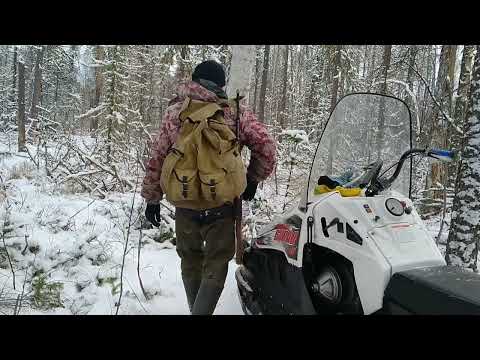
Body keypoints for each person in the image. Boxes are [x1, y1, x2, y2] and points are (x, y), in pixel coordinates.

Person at [141, 60, 276, 315]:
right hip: (222, 206)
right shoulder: (234, 113)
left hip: (185, 202)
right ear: (221, 84)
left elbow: (158, 156)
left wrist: (152, 198)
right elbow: (267, 149)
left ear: (193, 81)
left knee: (190, 260)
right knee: (216, 262)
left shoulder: (175, 112)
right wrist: (253, 180)